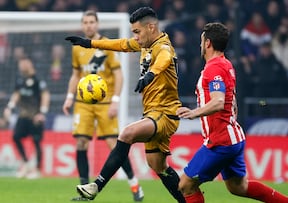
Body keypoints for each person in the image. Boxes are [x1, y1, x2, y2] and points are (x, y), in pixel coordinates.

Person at [65, 7, 185, 203]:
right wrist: (89, 43)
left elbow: (164, 59)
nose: (135, 37)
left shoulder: (163, 46)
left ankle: (96, 186)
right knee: (158, 166)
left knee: (126, 134)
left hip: (165, 114)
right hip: (153, 113)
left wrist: (151, 74)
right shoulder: (146, 44)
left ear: (151, 27)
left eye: (137, 32)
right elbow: (120, 44)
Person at [176, 22, 288, 203]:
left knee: (186, 185)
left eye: (201, 40)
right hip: (234, 138)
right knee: (238, 187)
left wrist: (194, 112)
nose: (200, 44)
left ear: (207, 43)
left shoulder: (213, 68)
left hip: (220, 141)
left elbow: (219, 101)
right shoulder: (226, 64)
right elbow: (228, 99)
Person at [62, 10, 144, 202]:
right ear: (82, 25)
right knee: (81, 141)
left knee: (113, 145)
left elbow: (118, 75)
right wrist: (68, 96)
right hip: (83, 103)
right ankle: (84, 189)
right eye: (85, 22)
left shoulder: (106, 45)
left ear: (97, 24)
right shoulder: (77, 48)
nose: (88, 25)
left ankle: (134, 185)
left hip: (105, 103)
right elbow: (76, 75)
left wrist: (115, 101)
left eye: (92, 22)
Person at [3, 57, 50, 179]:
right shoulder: (20, 80)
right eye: (20, 64)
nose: (21, 66)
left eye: (23, 63)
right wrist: (10, 107)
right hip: (23, 115)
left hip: (36, 116)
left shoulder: (38, 80)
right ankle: (25, 163)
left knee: (36, 141)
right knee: (16, 137)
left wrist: (42, 113)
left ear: (29, 64)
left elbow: (45, 95)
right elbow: (16, 95)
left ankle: (37, 170)